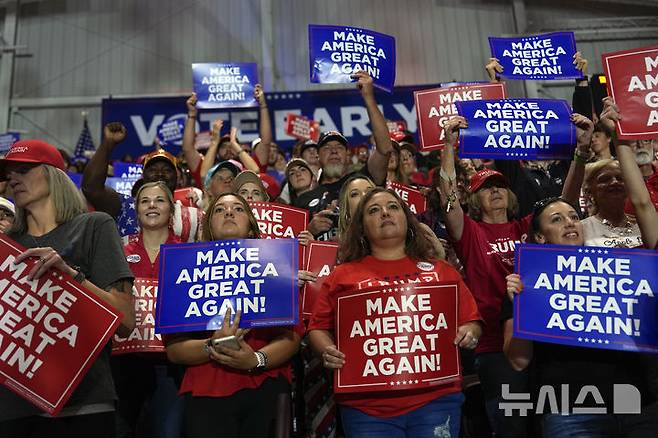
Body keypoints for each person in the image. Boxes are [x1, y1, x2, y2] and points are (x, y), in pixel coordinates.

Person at [309, 187, 481, 437]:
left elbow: (471, 320)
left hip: (436, 401)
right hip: (366, 409)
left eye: (393, 207)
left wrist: (469, 332)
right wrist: (326, 349)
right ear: (362, 228)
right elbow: (317, 327)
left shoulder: (442, 271)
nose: (385, 214)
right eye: (374, 210)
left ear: (407, 219)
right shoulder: (341, 275)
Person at [0, 139, 135, 437]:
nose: (12, 178)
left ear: (52, 174)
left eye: (23, 169)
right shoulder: (6, 246)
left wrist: (70, 275)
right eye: (9, 172)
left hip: (83, 405)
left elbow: (125, 321)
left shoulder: (94, 226)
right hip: (12, 408)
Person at [503, 197, 647, 437]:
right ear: (540, 236)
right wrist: (521, 307)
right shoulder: (523, 284)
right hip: (570, 411)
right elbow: (518, 361)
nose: (570, 223)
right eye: (557, 219)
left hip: (634, 405)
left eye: (574, 217)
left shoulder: (618, 270)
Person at [165, 193, 303, 438]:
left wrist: (255, 360)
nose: (229, 212)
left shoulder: (276, 264)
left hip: (264, 384)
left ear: (251, 227)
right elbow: (175, 351)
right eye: (219, 210)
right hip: (205, 391)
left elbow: (291, 338)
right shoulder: (183, 266)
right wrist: (213, 345)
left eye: (238, 208)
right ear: (208, 228)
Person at [115, 181, 184, 438]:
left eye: (159, 200)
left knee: (168, 433)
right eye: (145, 201)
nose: (152, 205)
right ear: (136, 209)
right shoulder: (118, 249)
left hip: (171, 363)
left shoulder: (190, 253)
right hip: (125, 361)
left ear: (172, 209)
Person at [296, 71, 393, 241]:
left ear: (348, 156)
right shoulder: (303, 200)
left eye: (339, 147)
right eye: (327, 148)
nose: (334, 151)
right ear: (317, 157)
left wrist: (369, 97)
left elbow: (385, 149)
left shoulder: (363, 180)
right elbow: (292, 244)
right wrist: (309, 228)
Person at [82, 123, 203, 242]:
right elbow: (91, 188)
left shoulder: (194, 217)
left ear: (177, 177)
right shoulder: (125, 205)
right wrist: (108, 143)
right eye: (153, 170)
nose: (160, 174)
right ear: (143, 176)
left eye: (167, 170)